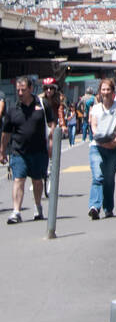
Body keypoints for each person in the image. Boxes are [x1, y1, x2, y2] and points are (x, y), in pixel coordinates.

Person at [0, 76, 55, 222]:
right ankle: (16, 211)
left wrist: (51, 143)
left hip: (39, 152)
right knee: (18, 179)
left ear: (31, 89)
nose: (19, 92)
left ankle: (38, 207)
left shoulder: (42, 105)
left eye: (23, 90)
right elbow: (6, 133)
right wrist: (2, 151)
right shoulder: (13, 110)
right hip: (19, 152)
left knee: (37, 181)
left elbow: (51, 124)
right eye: (18, 90)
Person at [88, 78, 116, 220]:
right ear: (100, 91)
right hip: (97, 147)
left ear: (113, 91)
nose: (105, 92)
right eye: (103, 89)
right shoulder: (96, 108)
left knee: (109, 180)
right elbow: (93, 126)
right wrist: (99, 138)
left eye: (108, 89)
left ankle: (108, 208)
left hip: (112, 147)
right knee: (98, 176)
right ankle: (94, 206)